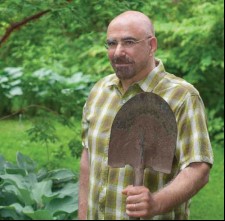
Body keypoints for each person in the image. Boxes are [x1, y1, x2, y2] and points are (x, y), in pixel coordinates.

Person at [78, 11, 214, 220]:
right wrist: (82, 216)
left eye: (129, 42)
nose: (118, 52)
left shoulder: (182, 96)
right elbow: (88, 157)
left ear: (151, 45)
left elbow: (199, 168)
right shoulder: (100, 90)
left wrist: (155, 203)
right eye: (112, 43)